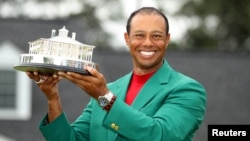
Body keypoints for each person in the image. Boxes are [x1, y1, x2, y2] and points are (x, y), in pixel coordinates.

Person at [26, 7, 206, 141]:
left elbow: (159, 135)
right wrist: (52, 98)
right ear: (127, 39)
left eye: (157, 36)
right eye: (140, 35)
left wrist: (104, 97)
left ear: (167, 40)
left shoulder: (187, 90)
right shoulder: (107, 90)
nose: (148, 43)